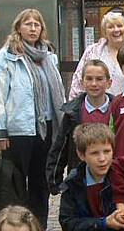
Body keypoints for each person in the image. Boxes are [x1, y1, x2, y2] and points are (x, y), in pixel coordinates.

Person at [0, 8, 65, 231]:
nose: (32, 28)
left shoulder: (48, 57)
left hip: (46, 127)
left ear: (42, 29)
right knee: (16, 183)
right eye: (28, 24)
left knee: (41, 181)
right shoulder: (7, 56)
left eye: (36, 24)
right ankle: (15, 230)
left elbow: (56, 92)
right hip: (17, 130)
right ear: (18, 27)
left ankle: (39, 228)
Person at [46, 59, 113, 194]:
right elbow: (60, 147)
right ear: (82, 82)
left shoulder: (117, 110)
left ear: (109, 83)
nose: (94, 84)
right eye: (89, 79)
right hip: (80, 180)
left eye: (99, 79)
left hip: (111, 179)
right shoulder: (72, 113)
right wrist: (55, 181)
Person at [69, 10, 124, 99]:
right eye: (111, 27)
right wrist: (75, 107)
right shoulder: (92, 51)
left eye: (119, 26)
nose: (116, 30)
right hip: (98, 107)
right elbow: (78, 81)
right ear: (105, 31)